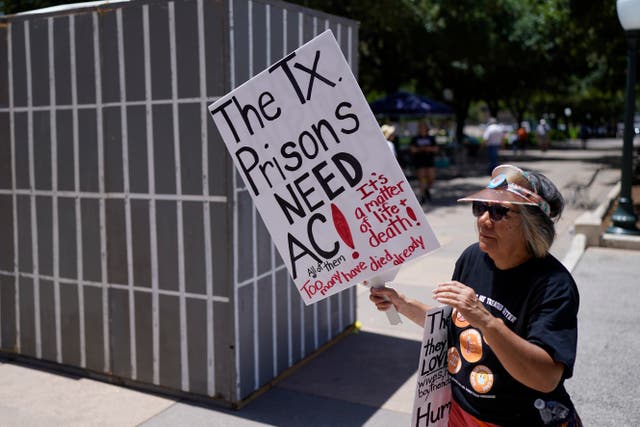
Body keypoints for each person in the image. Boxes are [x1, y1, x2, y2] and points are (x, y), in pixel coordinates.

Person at [369, 164, 582, 426]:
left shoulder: (554, 285)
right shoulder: (473, 257)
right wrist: (402, 303)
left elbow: (546, 377)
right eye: (480, 207)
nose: (483, 219)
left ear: (531, 225)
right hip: (458, 412)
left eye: (499, 211)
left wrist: (486, 321)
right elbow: (453, 326)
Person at [411, 122, 438, 203]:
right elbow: (412, 149)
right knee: (421, 178)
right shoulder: (415, 138)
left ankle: (427, 189)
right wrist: (420, 149)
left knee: (431, 177)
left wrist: (428, 149)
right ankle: (422, 195)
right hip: (419, 161)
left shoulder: (431, 138)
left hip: (429, 160)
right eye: (420, 128)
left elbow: (436, 149)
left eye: (423, 127)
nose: (422, 129)